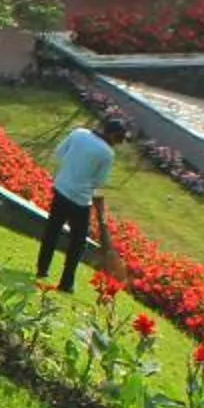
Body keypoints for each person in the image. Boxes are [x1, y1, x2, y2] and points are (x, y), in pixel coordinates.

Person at [37, 116, 129, 294]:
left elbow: (59, 153)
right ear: (111, 134)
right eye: (119, 138)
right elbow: (99, 181)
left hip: (61, 189)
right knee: (78, 243)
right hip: (80, 200)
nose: (118, 143)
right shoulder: (107, 154)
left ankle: (42, 269)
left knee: (52, 231)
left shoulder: (79, 133)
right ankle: (66, 282)